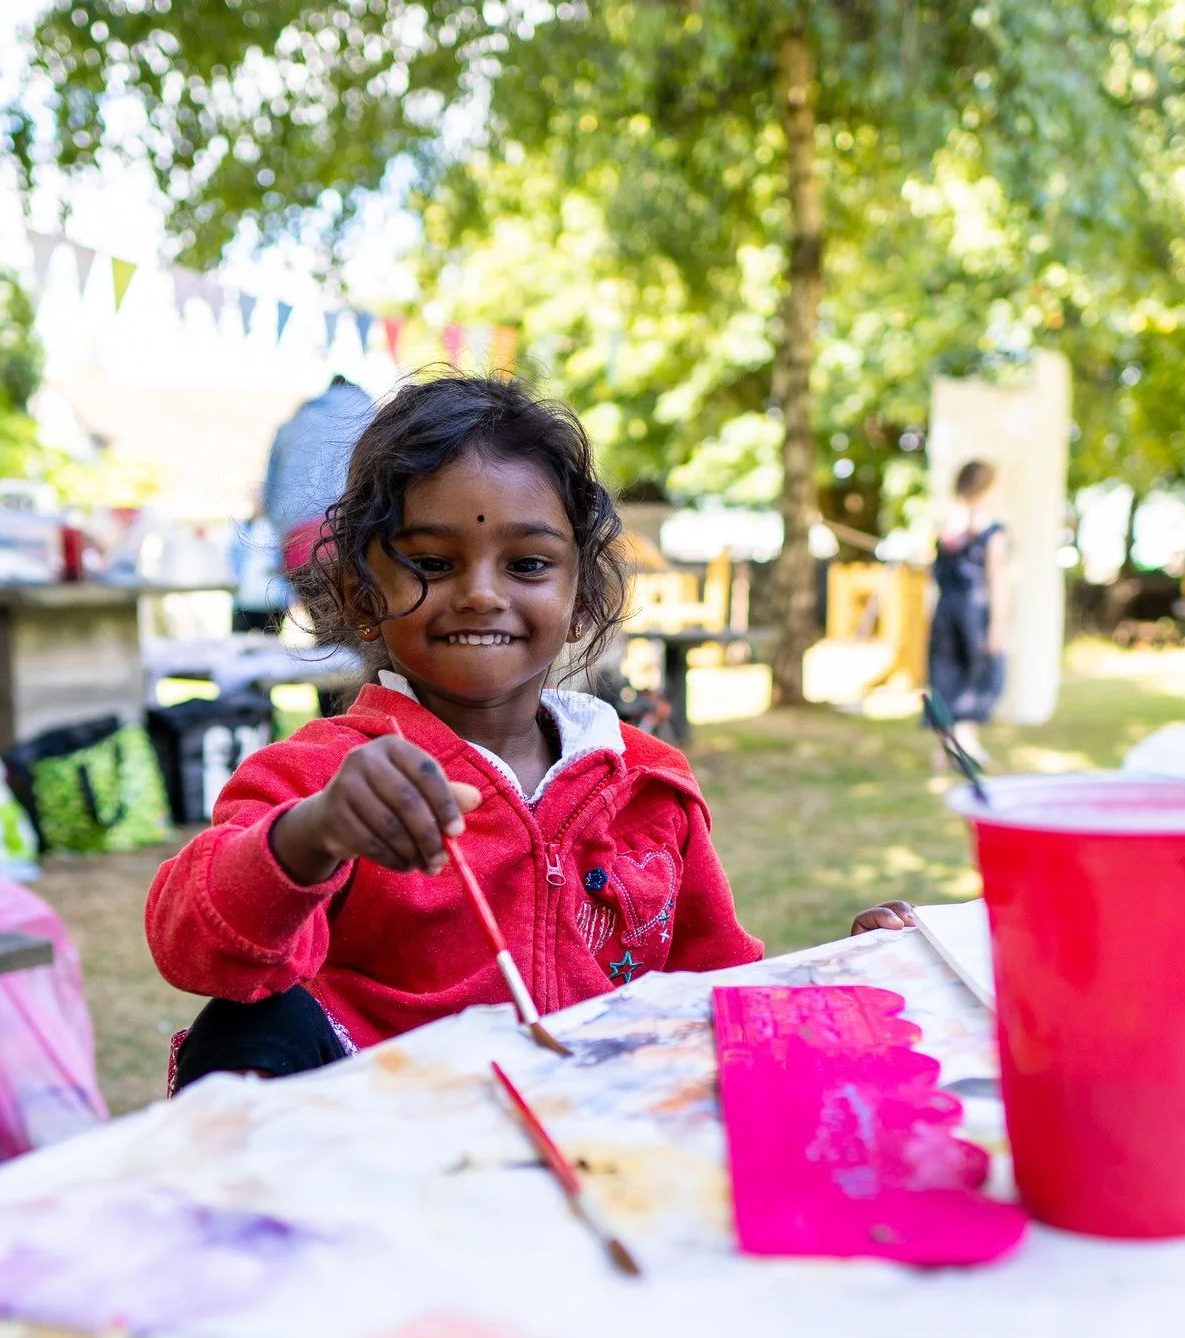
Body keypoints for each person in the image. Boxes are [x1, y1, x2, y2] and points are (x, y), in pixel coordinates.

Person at [146, 376, 914, 1090]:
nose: (480, 593)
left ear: (581, 594)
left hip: (595, 1151)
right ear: (358, 589)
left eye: (527, 563)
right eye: (431, 561)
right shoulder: (320, 779)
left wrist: (852, 967)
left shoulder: (648, 788)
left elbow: (715, 994)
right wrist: (309, 838)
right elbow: (195, 946)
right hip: (380, 1168)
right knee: (247, 1022)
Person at [929, 458, 1012, 759]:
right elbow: (996, 582)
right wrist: (997, 629)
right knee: (980, 674)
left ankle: (945, 747)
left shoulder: (947, 529)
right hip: (975, 614)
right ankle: (964, 739)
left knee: (946, 674)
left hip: (945, 612)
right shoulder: (990, 531)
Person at [262, 374, 375, 575]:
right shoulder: (374, 422)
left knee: (316, 604)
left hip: (296, 540)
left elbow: (269, 492)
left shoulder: (293, 424)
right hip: (351, 534)